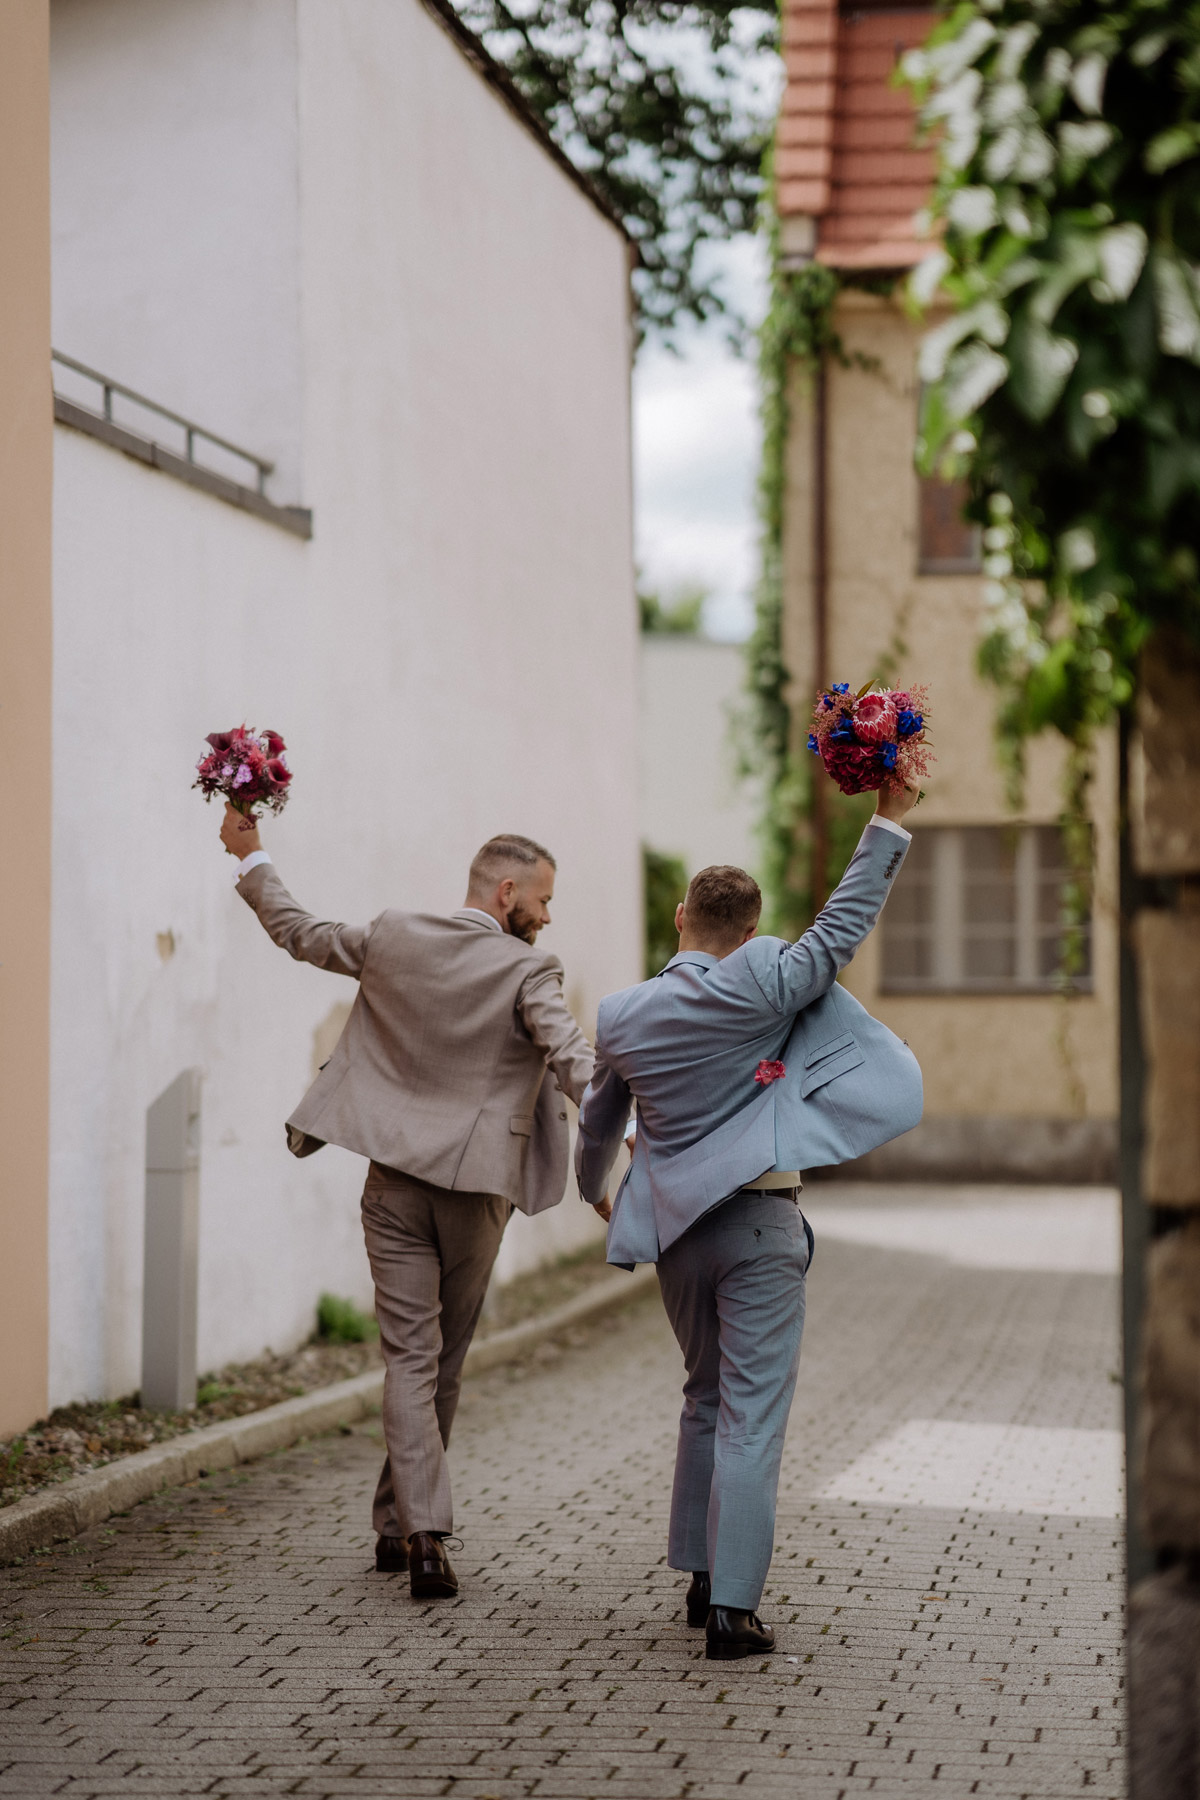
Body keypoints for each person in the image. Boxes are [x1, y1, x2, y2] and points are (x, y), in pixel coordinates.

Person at [219, 805, 605, 1600]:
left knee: (408, 1357)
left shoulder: (393, 934)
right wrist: (629, 1124)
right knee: (442, 1362)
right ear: (506, 893)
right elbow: (570, 1056)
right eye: (542, 898)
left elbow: (300, 931)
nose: (548, 913)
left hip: (391, 1182)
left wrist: (252, 855)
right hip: (473, 1194)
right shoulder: (530, 970)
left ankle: (402, 1527)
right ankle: (426, 1536)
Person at [575, 787, 923, 1660]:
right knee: (752, 1416)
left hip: (677, 1241)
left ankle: (698, 1574)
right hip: (762, 1226)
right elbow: (841, 927)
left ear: (682, 915)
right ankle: (732, 1610)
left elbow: (598, 1117)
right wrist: (888, 815)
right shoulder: (766, 979)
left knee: (703, 1395)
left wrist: (596, 1192)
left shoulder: (621, 1014)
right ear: (752, 924)